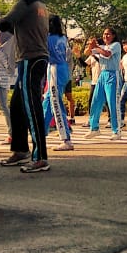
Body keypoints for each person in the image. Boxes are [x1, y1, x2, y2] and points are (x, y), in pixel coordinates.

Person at [1, 0, 52, 173]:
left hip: (30, 59)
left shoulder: (25, 3)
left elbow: (4, 23)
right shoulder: (41, 5)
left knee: (31, 107)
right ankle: (20, 149)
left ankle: (40, 157)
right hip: (35, 58)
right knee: (17, 106)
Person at [44, 15, 74, 151]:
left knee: (56, 104)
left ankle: (66, 139)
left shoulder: (48, 38)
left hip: (55, 69)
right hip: (62, 69)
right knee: (48, 101)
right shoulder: (63, 38)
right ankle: (40, 132)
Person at [86, 27, 122, 138]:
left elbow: (107, 54)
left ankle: (116, 130)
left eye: (108, 34)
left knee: (112, 103)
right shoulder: (101, 47)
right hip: (102, 75)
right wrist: (90, 45)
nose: (105, 36)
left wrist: (96, 47)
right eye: (104, 34)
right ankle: (94, 128)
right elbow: (87, 52)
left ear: (113, 35)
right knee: (96, 101)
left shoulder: (116, 45)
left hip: (113, 74)